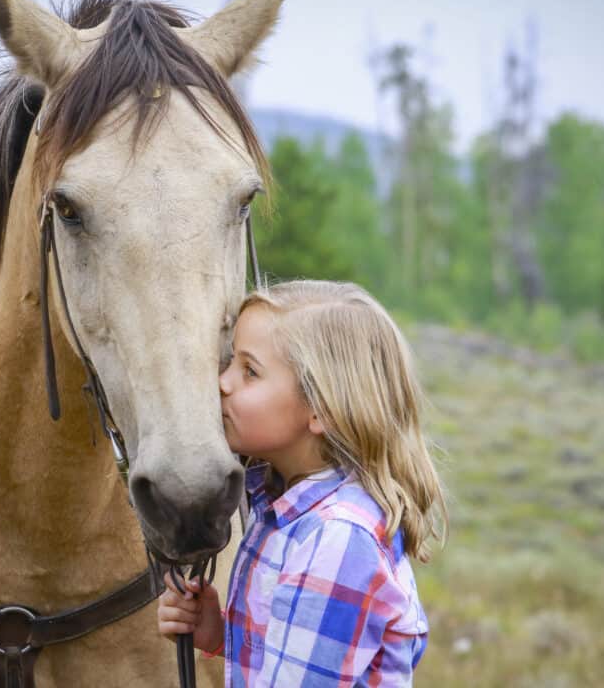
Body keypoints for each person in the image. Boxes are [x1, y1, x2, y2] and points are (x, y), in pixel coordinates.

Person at [157, 280, 448, 686]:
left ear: (320, 409)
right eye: (230, 364)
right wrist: (221, 634)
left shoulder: (336, 541)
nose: (223, 382)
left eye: (249, 371)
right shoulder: (286, 509)